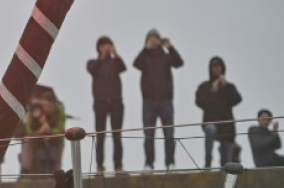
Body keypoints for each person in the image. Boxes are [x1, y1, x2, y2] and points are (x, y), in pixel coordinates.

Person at [133, 29, 183, 171]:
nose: (153, 41)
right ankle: (149, 164)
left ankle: (170, 163)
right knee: (149, 135)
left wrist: (170, 47)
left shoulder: (166, 56)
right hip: (148, 102)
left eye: (155, 38)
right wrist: (145, 48)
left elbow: (179, 63)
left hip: (166, 101)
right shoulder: (144, 57)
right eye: (150, 38)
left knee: (169, 134)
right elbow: (135, 64)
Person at [87, 36, 127, 174]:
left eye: (108, 44)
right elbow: (92, 70)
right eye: (103, 45)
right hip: (100, 104)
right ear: (98, 47)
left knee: (117, 136)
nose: (106, 47)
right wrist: (102, 57)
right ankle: (99, 166)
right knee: (100, 136)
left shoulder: (116, 62)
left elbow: (123, 67)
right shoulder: (93, 62)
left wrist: (115, 54)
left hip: (116, 103)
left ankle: (118, 166)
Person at [195, 56, 242, 168]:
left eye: (219, 66)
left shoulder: (229, 86)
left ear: (222, 68)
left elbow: (237, 99)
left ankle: (224, 176)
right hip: (211, 122)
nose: (216, 69)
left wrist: (225, 86)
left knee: (226, 164)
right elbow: (199, 102)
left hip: (227, 127)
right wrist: (212, 91)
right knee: (210, 129)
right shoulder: (204, 86)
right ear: (210, 69)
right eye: (214, 67)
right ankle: (208, 163)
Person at [20, 89, 66, 176]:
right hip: (38, 137)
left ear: (54, 104)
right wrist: (39, 131)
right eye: (45, 105)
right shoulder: (34, 111)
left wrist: (50, 130)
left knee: (60, 142)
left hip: (55, 138)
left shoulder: (60, 112)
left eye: (49, 106)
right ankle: (25, 168)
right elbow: (29, 130)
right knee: (27, 140)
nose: (47, 108)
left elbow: (60, 129)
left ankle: (57, 170)